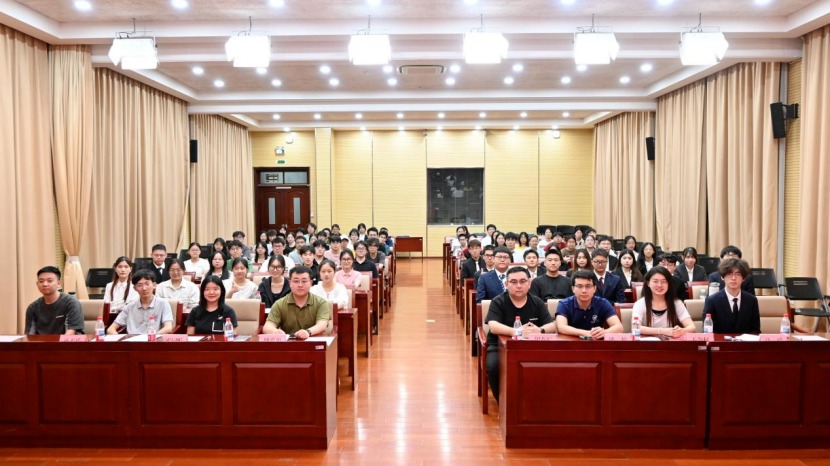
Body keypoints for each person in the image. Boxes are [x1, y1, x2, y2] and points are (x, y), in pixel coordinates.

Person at [485, 267, 555, 402]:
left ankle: (536, 400)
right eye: (513, 282)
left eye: (523, 281)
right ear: (506, 284)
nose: (518, 286)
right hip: (500, 347)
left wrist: (540, 330)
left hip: (530, 347)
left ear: (529, 283)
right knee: (493, 367)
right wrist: (517, 331)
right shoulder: (498, 301)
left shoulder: (537, 302)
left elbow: (552, 325)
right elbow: (493, 326)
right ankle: (502, 402)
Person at [262, 266, 330, 339]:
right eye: (296, 281)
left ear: (311, 283)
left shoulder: (321, 303)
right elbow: (267, 326)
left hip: (314, 343)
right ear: (290, 283)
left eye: (304, 281)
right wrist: (274, 331)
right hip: (288, 344)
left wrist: (308, 332)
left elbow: (322, 324)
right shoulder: (279, 304)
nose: (300, 285)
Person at [555, 270, 623, 339]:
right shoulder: (564, 304)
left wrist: (604, 332)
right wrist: (585, 333)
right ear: (573, 289)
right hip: (571, 343)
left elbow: (619, 327)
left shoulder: (603, 303)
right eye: (579, 286)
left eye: (588, 286)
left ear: (594, 288)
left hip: (596, 342)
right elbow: (561, 327)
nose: (584, 291)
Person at [633, 267, 696, 337]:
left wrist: (682, 331)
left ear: (668, 284)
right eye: (655, 281)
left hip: (670, 342)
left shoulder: (676, 303)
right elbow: (636, 327)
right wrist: (663, 331)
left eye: (664, 281)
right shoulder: (640, 304)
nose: (659, 285)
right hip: (648, 342)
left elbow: (692, 327)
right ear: (648, 283)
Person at [703, 258, 760, 334]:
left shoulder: (752, 300)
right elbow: (708, 331)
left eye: (738, 274)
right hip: (720, 341)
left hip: (745, 341)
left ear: (743, 278)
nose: (733, 278)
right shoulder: (712, 301)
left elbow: (755, 330)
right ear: (722, 277)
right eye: (729, 274)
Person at [107, 270, 174, 335]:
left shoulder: (163, 303)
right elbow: (110, 329)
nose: (144, 288)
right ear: (135, 288)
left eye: (147, 284)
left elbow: (168, 328)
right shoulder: (130, 306)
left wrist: (152, 337)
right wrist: (119, 340)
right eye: (139, 285)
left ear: (154, 285)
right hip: (132, 341)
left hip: (154, 340)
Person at [25, 266, 84, 335]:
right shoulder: (32, 307)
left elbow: (71, 332)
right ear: (37, 284)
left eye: (49, 281)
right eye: (41, 281)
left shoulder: (71, 303)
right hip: (42, 341)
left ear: (59, 283)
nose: (45, 284)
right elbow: (30, 335)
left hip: (66, 341)